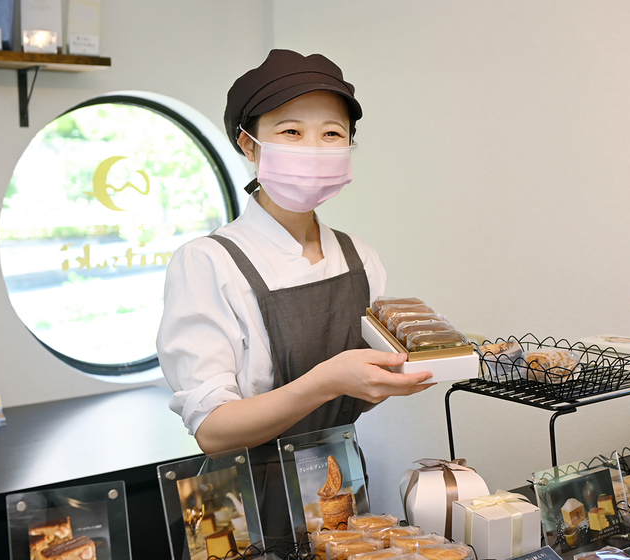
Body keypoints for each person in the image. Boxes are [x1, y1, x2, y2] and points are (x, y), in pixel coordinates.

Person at [156, 49, 433, 548]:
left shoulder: (359, 258)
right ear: (248, 143)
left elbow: (354, 391)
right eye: (290, 131)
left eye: (332, 133)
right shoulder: (208, 262)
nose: (314, 148)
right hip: (237, 502)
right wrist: (328, 381)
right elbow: (213, 431)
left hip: (335, 486)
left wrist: (392, 376)